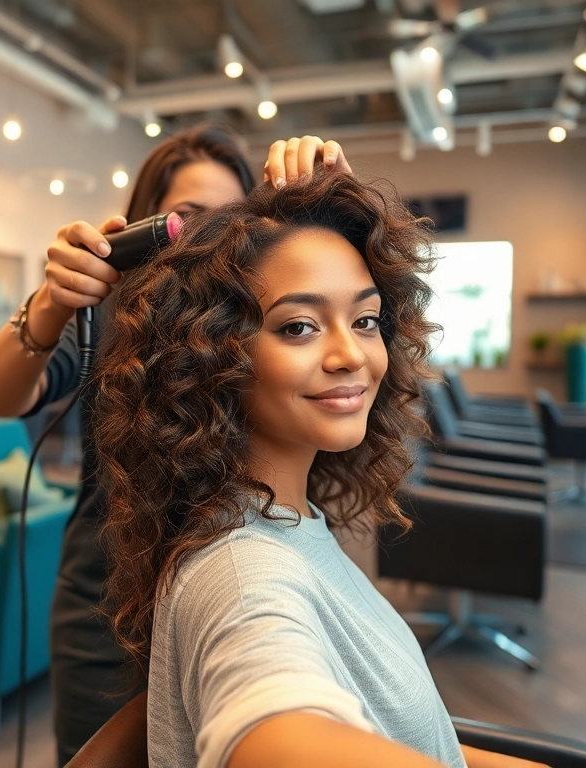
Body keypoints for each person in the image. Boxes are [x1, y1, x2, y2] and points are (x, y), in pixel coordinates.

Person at [90, 170, 545, 768]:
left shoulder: (291, 517)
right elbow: (273, 735)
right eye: (298, 326)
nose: (350, 355)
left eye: (365, 320)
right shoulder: (241, 576)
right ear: (209, 357)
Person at [0, 125, 352, 763]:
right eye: (186, 219)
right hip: (109, 618)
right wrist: (51, 301)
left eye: (227, 219)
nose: (206, 238)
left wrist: (332, 200)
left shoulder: (267, 324)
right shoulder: (108, 318)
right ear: (146, 225)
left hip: (239, 593)